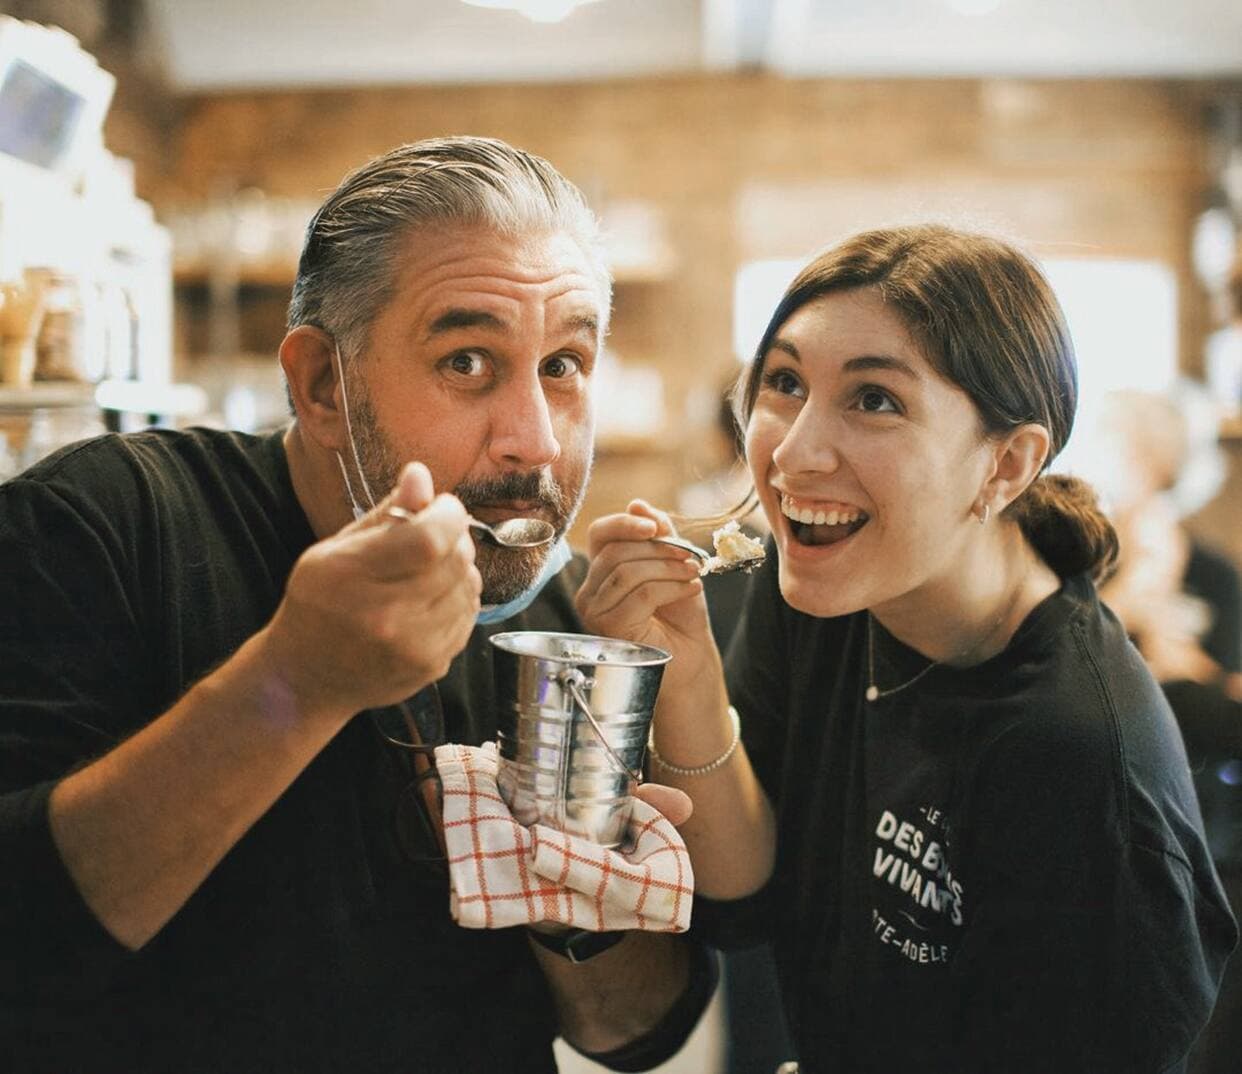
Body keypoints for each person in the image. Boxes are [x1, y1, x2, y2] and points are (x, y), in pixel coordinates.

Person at [0, 136, 715, 1073]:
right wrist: (298, 682)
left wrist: (571, 884)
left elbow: (635, 1031)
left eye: (565, 365)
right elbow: (25, 946)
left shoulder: (566, 621)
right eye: (467, 362)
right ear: (319, 385)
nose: (534, 443)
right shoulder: (106, 524)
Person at [576, 223, 1238, 1073]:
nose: (795, 451)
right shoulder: (826, 590)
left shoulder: (1080, 761)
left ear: (1006, 465)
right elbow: (745, 898)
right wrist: (689, 677)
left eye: (874, 399)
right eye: (784, 382)